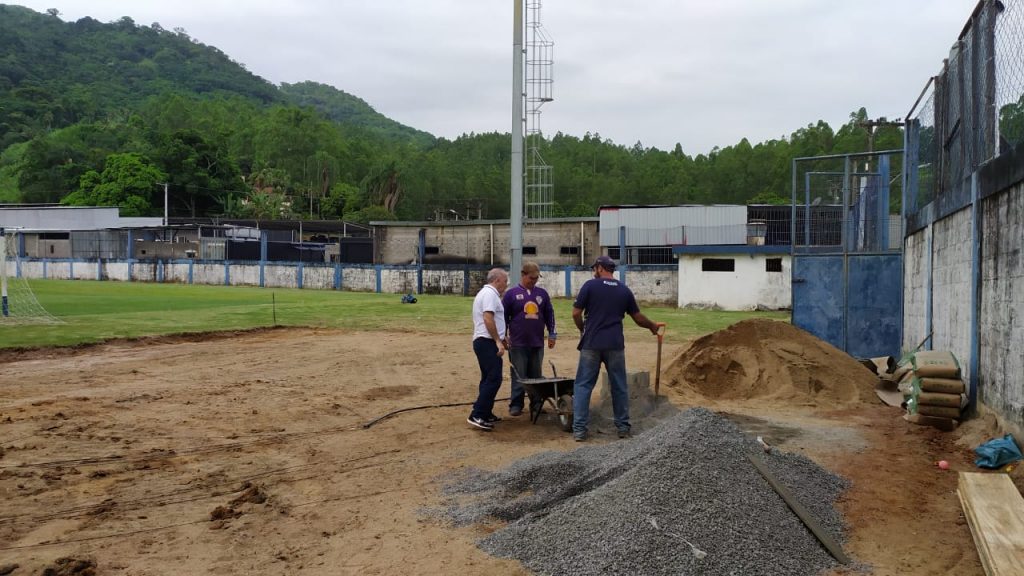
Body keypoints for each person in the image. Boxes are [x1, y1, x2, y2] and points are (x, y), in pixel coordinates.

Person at [571, 255, 659, 441]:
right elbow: (637, 317)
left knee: (583, 386)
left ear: (601, 268)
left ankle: (579, 430)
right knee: (619, 386)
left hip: (592, 344)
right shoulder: (624, 290)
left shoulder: (589, 286)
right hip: (615, 345)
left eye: (595, 268)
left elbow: (576, 313)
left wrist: (582, 329)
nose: (594, 271)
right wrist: (652, 326)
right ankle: (623, 428)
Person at [502, 261, 557, 417]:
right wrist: (503, 336)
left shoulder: (542, 294)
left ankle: (536, 404)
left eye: (536, 278)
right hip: (518, 343)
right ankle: (516, 404)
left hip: (537, 342)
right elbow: (503, 317)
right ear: (523, 275)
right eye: (531, 278)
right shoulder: (511, 294)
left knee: (536, 375)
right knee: (519, 375)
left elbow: (550, 315)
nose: (534, 281)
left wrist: (552, 334)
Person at [467, 267, 510, 431]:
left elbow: (494, 320)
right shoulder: (490, 295)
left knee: (487, 378)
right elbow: (488, 318)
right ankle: (477, 414)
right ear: (497, 280)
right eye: (505, 281)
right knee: (494, 378)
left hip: (485, 340)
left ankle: (485, 412)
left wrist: (502, 336)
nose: (505, 285)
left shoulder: (488, 294)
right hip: (486, 341)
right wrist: (498, 341)